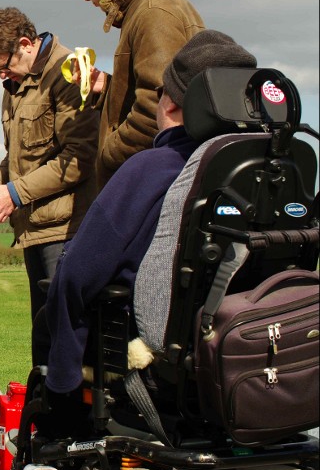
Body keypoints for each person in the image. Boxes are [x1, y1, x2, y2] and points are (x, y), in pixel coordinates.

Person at [42, 30, 258, 415]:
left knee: (53, 309)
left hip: (155, 361)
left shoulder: (150, 168)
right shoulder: (266, 172)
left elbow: (77, 277)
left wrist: (62, 387)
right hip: (245, 345)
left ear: (171, 102)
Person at [0, 8, 99, 367]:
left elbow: (80, 157)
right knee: (44, 341)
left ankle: (73, 421)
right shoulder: (15, 84)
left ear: (26, 44)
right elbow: (17, 158)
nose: (0, 76)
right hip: (34, 230)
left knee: (67, 344)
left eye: (2, 66)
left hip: (67, 231)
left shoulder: (69, 73)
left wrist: (13, 194)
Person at [69, 0, 205, 188]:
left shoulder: (154, 9)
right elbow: (161, 88)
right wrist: (107, 87)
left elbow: (160, 108)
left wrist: (107, 153)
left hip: (156, 184)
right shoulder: (151, 4)